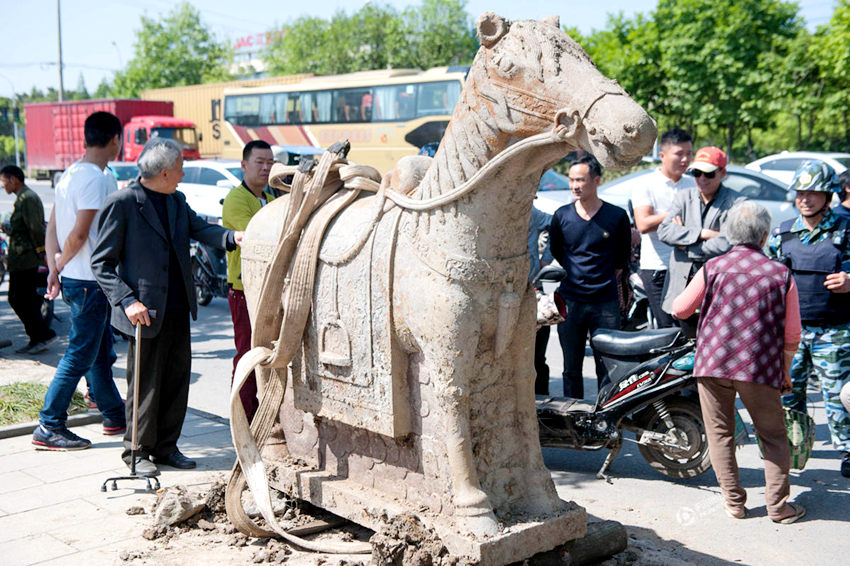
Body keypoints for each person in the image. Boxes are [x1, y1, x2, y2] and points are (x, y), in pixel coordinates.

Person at [91, 138, 243, 476]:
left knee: (177, 380)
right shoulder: (123, 203)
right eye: (179, 169)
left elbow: (200, 228)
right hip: (144, 312)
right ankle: (136, 451)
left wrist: (232, 237)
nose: (183, 174)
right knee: (145, 385)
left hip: (177, 307)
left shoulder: (176, 200)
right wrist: (127, 301)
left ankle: (166, 446)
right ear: (163, 173)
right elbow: (101, 263)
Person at [672, 201, 806, 524]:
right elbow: (792, 334)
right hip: (758, 368)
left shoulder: (713, 268)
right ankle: (778, 507)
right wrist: (785, 371)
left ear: (730, 234)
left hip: (712, 363)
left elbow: (679, 309)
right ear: (763, 237)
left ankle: (734, 503)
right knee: (772, 435)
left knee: (720, 434)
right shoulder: (780, 274)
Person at [32, 112, 127, 451]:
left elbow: (53, 227)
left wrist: (55, 267)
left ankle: (115, 414)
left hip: (76, 278)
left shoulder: (69, 173)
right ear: (115, 139)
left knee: (98, 352)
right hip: (89, 281)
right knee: (80, 354)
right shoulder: (98, 179)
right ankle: (49, 424)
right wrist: (60, 263)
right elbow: (80, 232)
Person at [767, 160, 850, 478]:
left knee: (837, 394)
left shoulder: (846, 231)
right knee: (788, 392)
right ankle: (789, 449)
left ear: (828, 195)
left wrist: (849, 281)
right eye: (800, 192)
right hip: (792, 331)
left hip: (835, 331)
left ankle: (847, 450)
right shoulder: (783, 232)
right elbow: (768, 276)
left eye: (813, 192)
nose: (805, 198)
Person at [549, 155, 631, 399]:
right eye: (572, 180)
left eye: (581, 180)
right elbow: (558, 252)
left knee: (607, 367)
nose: (575, 186)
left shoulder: (616, 216)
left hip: (605, 301)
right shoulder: (561, 216)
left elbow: (621, 259)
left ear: (596, 181)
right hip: (570, 300)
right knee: (570, 368)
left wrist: (601, 277)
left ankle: (606, 420)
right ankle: (571, 421)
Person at [657, 146, 745, 335]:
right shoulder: (683, 197)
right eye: (697, 173)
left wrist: (684, 243)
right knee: (682, 343)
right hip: (682, 282)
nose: (702, 179)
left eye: (708, 174)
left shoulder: (736, 202)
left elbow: (727, 243)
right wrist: (703, 233)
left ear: (723, 173)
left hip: (717, 282)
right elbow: (664, 231)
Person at [222, 140, 275, 422]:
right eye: (259, 162)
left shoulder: (270, 196)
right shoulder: (236, 199)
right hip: (245, 291)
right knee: (247, 356)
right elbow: (260, 239)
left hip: (267, 290)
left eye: (270, 162)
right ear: (244, 165)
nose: (266, 167)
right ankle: (242, 418)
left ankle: (262, 416)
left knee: (266, 357)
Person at [631, 128, 696, 328]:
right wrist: (675, 214)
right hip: (658, 268)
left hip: (689, 267)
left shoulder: (693, 183)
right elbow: (643, 224)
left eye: (689, 153)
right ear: (662, 156)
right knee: (668, 330)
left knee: (690, 329)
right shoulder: (647, 184)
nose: (685, 159)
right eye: (679, 154)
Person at [0, 165, 55, 353]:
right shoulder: (22, 198)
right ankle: (37, 337)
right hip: (20, 260)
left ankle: (43, 334)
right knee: (25, 299)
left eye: (3, 180)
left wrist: (42, 253)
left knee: (17, 298)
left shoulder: (28, 198)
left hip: (26, 260)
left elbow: (36, 228)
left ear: (13, 179)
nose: (2, 185)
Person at [528, 205, 554, 395]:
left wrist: (547, 258)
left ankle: (542, 404)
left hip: (532, 290)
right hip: (499, 292)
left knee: (537, 357)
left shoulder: (532, 212)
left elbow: (555, 225)